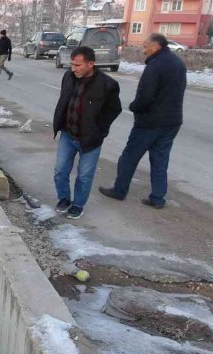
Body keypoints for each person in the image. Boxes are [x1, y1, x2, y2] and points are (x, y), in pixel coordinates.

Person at [99, 33, 186, 209]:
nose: (143, 50)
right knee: (160, 161)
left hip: (150, 122)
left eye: (145, 47)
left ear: (156, 47)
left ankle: (119, 190)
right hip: (172, 121)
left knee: (129, 158)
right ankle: (157, 198)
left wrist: (134, 107)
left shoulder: (155, 66)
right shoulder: (178, 63)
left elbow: (146, 96)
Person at [52, 47, 122, 219]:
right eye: (72, 64)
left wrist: (99, 130)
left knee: (84, 176)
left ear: (91, 64)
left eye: (78, 65)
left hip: (90, 140)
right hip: (68, 135)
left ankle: (78, 205)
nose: (74, 69)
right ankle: (64, 199)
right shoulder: (69, 77)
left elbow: (114, 109)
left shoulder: (108, 85)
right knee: (60, 171)